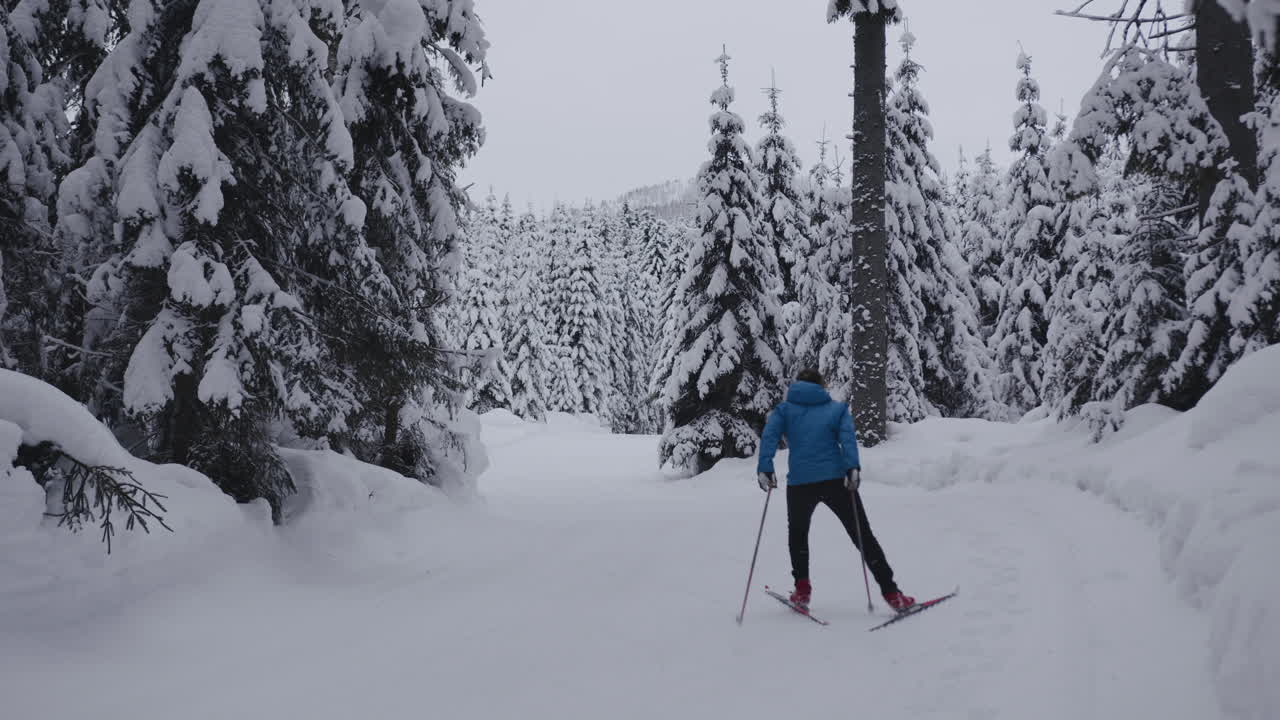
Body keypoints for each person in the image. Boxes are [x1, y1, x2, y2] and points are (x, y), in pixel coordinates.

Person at [756, 368, 915, 611]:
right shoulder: (836, 410)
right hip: (836, 481)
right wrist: (852, 467)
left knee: (798, 536)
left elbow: (769, 437)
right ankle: (892, 593)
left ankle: (802, 591)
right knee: (862, 535)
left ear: (798, 385)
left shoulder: (784, 411)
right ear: (821, 386)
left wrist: (765, 467)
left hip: (800, 484)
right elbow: (848, 440)